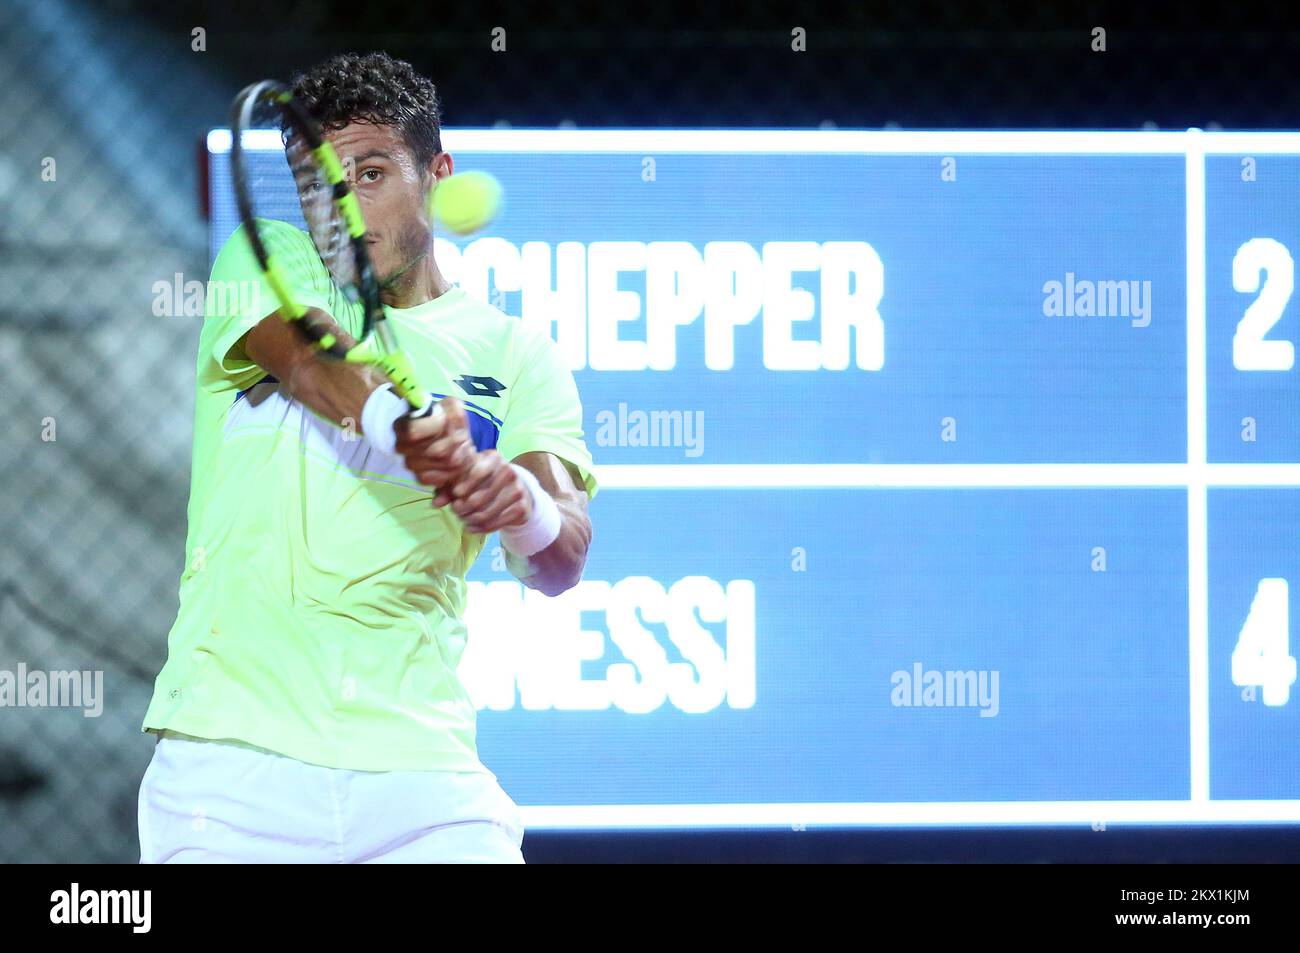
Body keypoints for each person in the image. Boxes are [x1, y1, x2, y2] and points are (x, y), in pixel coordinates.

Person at [137, 51, 596, 863]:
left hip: (425, 783)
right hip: (229, 770)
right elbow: (316, 361)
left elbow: (561, 554)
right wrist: (403, 423)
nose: (344, 209)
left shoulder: (518, 353)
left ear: (437, 172)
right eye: (320, 186)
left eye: (373, 173)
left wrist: (513, 502)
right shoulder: (267, 257)